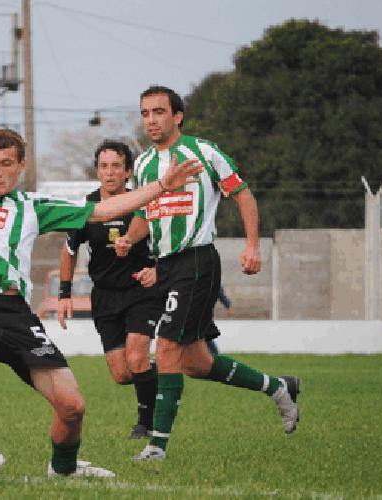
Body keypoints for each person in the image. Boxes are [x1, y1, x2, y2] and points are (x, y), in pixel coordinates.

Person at [0, 128, 202, 478]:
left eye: (7, 163)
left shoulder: (33, 206)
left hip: (15, 316)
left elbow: (101, 210)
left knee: (72, 407)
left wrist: (160, 187)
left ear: (21, 165)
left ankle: (63, 469)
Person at [115, 85, 301, 461]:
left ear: (177, 116)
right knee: (196, 363)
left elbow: (243, 195)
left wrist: (252, 246)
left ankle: (157, 446)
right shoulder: (144, 165)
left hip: (196, 261)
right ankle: (279, 388)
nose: (151, 119)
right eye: (145, 113)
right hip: (165, 266)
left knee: (165, 347)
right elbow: (143, 215)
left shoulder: (204, 152)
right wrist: (128, 241)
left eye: (159, 112)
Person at [55, 140, 161, 440]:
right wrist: (64, 293)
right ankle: (158, 376)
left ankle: (146, 425)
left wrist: (158, 269)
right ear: (97, 171)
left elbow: (167, 241)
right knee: (122, 373)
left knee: (137, 357)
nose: (109, 172)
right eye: (104, 166)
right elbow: (69, 250)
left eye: (116, 166)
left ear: (128, 172)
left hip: (140, 289)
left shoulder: (141, 202)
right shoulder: (86, 208)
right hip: (105, 295)